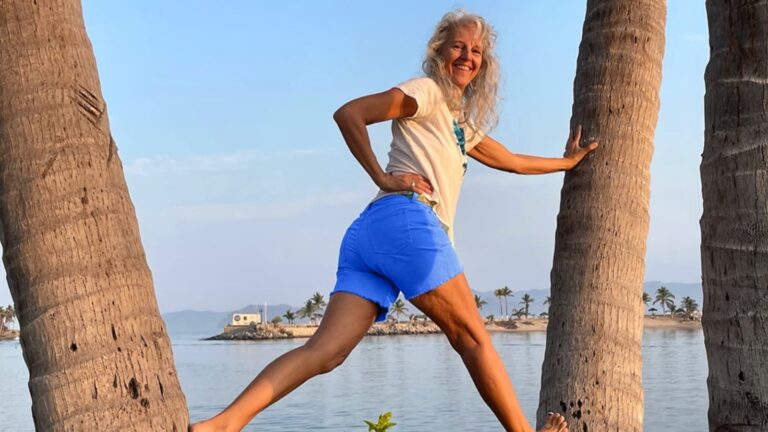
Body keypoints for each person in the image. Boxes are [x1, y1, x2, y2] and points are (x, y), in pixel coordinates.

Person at [191, 10, 597, 432]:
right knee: (473, 338)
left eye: (476, 51)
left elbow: (512, 161)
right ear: (438, 50)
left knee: (324, 353)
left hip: (370, 235)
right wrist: (382, 177)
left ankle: (222, 424)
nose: (468, 56)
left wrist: (568, 162)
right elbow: (350, 114)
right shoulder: (425, 92)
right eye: (458, 45)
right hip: (407, 220)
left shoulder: (459, 124)